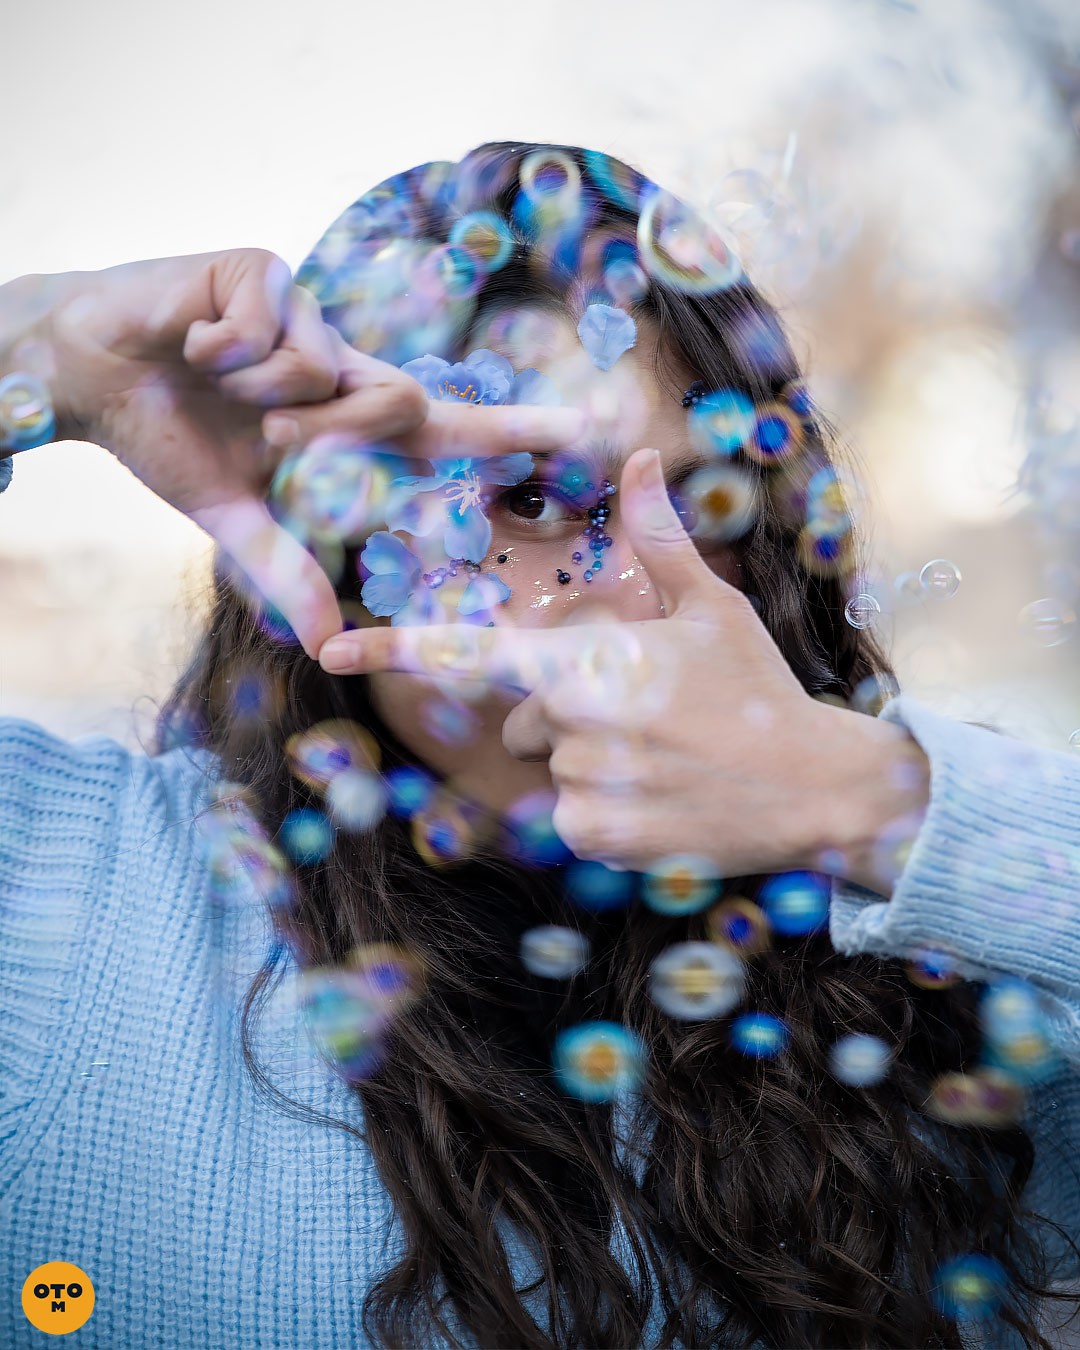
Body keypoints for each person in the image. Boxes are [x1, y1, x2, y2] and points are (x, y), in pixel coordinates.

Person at [1, 140, 1078, 1350]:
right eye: (528, 500)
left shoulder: (951, 942)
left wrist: (875, 806)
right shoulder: (72, 898)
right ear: (336, 533)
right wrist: (37, 354)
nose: (630, 595)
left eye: (697, 501)